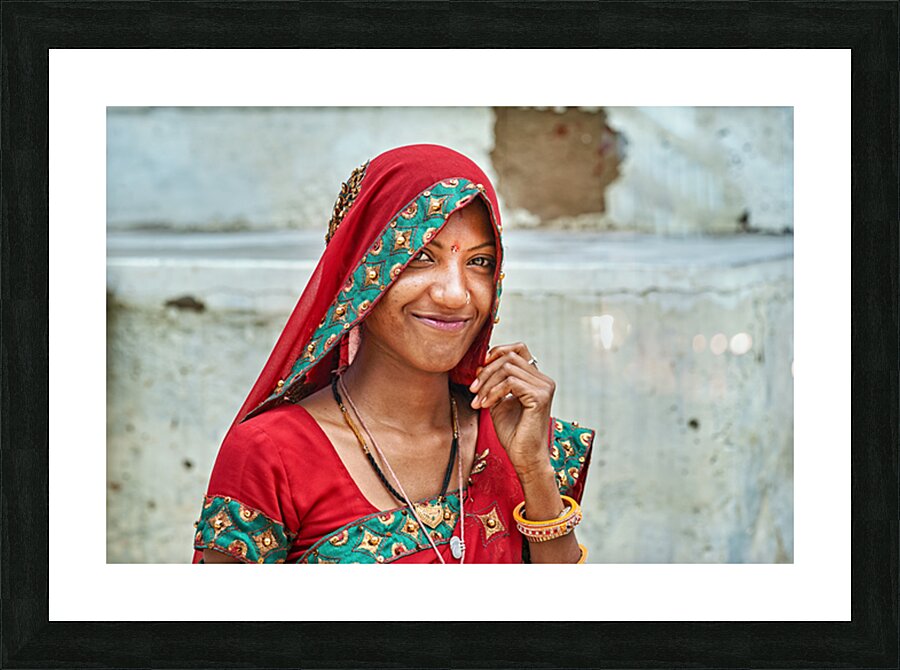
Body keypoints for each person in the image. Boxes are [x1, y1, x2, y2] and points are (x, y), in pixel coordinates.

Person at [192, 144, 595, 564]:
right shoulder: (272, 454)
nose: (456, 295)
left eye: (479, 261)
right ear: (360, 271)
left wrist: (534, 473)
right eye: (421, 257)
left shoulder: (519, 440)